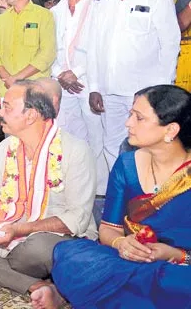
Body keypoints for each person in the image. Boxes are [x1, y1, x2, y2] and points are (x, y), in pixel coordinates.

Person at [0, 80, 97, 298]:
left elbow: (76, 219)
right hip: (7, 234)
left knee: (39, 249)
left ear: (31, 115)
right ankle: (34, 285)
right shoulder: (5, 148)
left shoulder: (75, 150)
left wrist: (19, 230)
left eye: (7, 107)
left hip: (52, 239)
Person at [46, 85, 191, 309]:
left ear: (170, 130)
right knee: (69, 253)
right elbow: (108, 228)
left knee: (171, 280)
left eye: (139, 118)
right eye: (131, 114)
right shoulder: (126, 164)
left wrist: (173, 253)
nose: (128, 123)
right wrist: (122, 243)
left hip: (178, 266)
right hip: (131, 261)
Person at [88, 0, 180, 177]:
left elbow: (170, 44)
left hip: (144, 92)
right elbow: (93, 49)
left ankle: (152, 192)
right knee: (112, 145)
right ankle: (124, 189)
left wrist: (161, 90)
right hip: (110, 92)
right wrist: (94, 87)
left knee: (149, 143)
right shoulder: (102, 6)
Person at [50, 0, 108, 196]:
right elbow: (50, 48)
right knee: (69, 135)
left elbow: (100, 46)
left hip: (87, 80)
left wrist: (78, 72)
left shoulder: (98, 9)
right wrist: (59, 74)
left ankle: (101, 190)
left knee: (96, 135)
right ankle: (75, 185)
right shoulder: (54, 12)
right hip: (62, 82)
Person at [0, 0, 56, 146]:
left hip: (35, 92)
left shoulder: (43, 15)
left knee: (39, 143)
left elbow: (47, 54)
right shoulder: (0, 21)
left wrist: (17, 78)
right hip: (7, 92)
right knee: (13, 144)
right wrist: (7, 78)